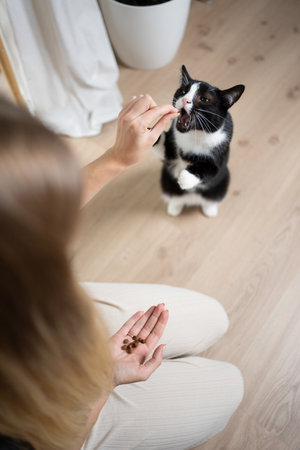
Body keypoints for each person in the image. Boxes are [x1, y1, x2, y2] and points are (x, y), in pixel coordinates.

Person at [0, 94, 243, 450]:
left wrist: (117, 158)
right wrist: (105, 381)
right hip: (46, 425)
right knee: (230, 384)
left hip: (34, 318)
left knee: (213, 317)